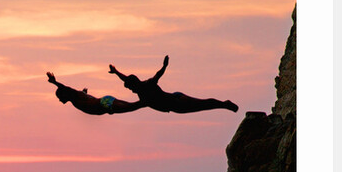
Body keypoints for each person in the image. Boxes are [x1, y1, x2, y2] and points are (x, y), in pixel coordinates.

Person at [108, 56, 238, 113]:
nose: (131, 91)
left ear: (135, 85)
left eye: (131, 88)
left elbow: (158, 75)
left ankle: (224, 104)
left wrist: (164, 66)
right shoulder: (140, 91)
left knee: (202, 104)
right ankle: (223, 104)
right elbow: (125, 79)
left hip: (178, 102)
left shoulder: (147, 86)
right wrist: (116, 72)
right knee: (202, 105)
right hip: (175, 105)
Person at [46, 72, 153, 116]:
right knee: (135, 105)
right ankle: (151, 100)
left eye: (59, 97)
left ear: (64, 94)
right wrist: (84, 92)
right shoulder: (78, 96)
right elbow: (81, 94)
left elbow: (65, 88)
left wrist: (54, 82)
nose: (60, 100)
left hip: (104, 104)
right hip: (105, 102)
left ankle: (153, 100)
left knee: (134, 105)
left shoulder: (74, 98)